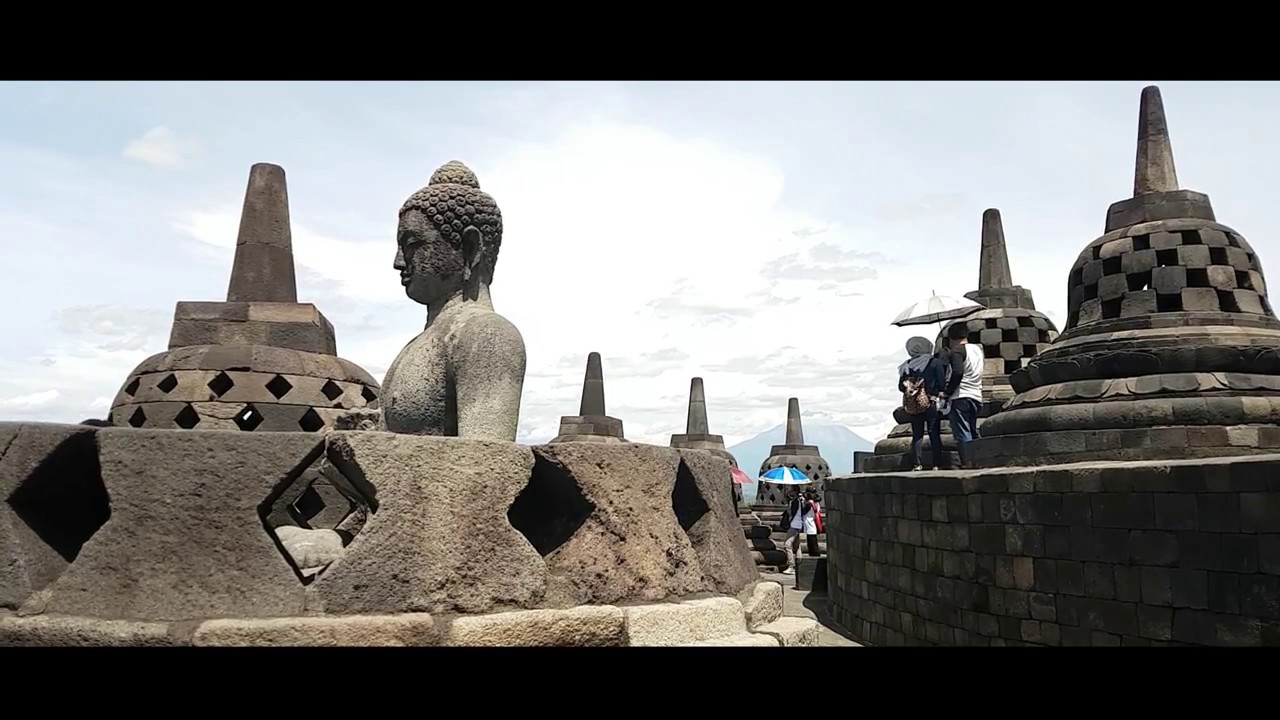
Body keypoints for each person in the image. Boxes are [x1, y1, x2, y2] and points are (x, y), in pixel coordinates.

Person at [897, 336, 948, 471]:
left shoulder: (906, 366)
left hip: (913, 404)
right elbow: (942, 383)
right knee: (933, 432)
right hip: (931, 401)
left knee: (917, 434)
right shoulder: (934, 363)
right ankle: (936, 463)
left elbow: (901, 387)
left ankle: (917, 464)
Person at [940, 321, 985, 468]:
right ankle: (979, 459)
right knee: (973, 431)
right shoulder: (978, 349)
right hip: (976, 395)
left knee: (962, 433)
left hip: (961, 395)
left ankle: (968, 463)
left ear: (950, 337)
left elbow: (958, 372)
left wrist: (947, 392)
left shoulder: (957, 351)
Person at [780, 488, 815, 575]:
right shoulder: (801, 501)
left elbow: (791, 513)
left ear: (795, 492)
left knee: (787, 545)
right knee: (797, 546)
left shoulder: (795, 502)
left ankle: (791, 566)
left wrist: (788, 508)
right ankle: (799, 565)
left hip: (794, 526)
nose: (790, 491)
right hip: (799, 525)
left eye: (791, 490)